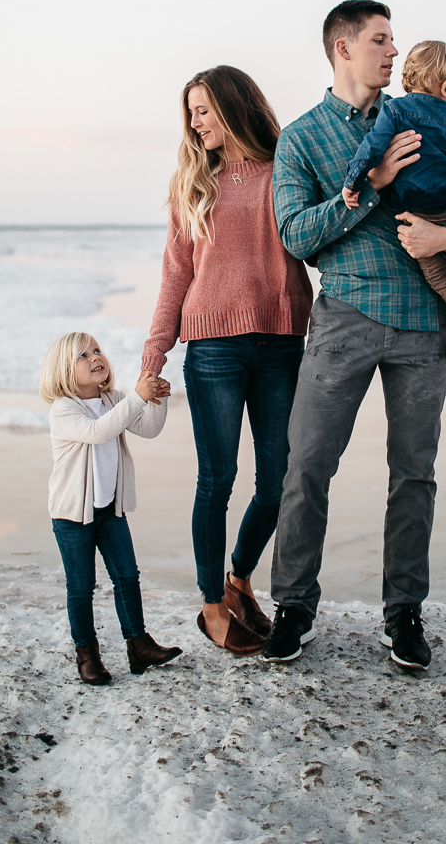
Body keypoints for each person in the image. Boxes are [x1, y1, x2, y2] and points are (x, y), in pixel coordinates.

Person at [263, 0, 446, 670]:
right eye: (381, 41)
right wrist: (370, 185)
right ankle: (294, 607)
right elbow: (295, 233)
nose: (394, 53)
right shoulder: (303, 138)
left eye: (395, 41)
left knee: (414, 473)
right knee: (306, 465)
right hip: (345, 320)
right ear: (344, 48)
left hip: (426, 327)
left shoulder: (427, 116)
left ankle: (404, 613)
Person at [142, 65, 313, 656]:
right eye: (189, 112)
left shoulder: (286, 171)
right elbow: (175, 276)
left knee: (279, 480)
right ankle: (212, 604)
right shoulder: (194, 184)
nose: (195, 122)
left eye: (204, 109)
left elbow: (316, 237)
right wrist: (154, 353)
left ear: (234, 107)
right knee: (216, 480)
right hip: (212, 348)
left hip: (283, 342)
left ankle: (239, 578)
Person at [40, 331, 183, 685]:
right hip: (73, 515)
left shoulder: (112, 399)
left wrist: (156, 400)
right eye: (83, 356)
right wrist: (137, 398)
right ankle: (87, 654)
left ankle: (139, 645)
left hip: (108, 509)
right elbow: (99, 432)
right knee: (81, 586)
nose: (95, 358)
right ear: (63, 370)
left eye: (97, 350)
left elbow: (147, 428)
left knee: (127, 577)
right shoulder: (64, 409)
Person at [343, 39, 446, 359]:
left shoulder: (395, 110)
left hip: (425, 212)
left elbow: (371, 147)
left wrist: (353, 181)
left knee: (436, 271)